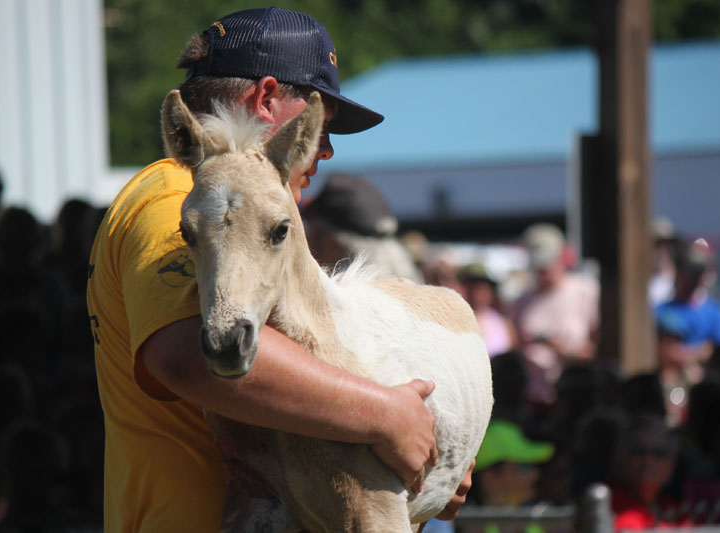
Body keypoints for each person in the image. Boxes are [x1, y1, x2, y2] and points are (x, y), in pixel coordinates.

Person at [87, 8, 469, 531]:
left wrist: (428, 451)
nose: (326, 151)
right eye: (319, 123)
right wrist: (388, 417)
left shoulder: (230, 204)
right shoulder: (177, 195)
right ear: (266, 100)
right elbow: (186, 353)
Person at [511, 223, 600, 407]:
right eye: (539, 264)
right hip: (533, 400)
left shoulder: (585, 291)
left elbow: (598, 346)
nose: (544, 270)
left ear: (561, 257)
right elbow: (516, 347)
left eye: (548, 261)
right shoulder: (522, 300)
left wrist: (563, 352)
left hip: (574, 396)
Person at [302, 172, 423, 282]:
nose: (306, 240)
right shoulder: (413, 288)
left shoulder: (339, 298)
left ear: (330, 244)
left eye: (309, 229)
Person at [655, 238, 720, 384]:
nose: (695, 278)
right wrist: (700, 351)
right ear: (678, 271)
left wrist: (684, 353)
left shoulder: (715, 312)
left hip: (706, 384)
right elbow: (662, 352)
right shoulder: (660, 311)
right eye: (691, 271)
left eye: (699, 272)